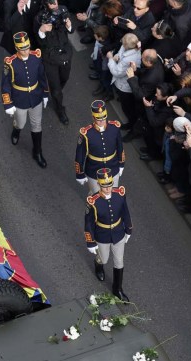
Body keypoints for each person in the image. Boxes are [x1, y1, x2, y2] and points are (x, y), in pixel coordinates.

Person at [1, 32, 50, 168]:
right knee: (21, 123)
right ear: (17, 49)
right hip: (19, 99)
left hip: (35, 97)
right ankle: (16, 130)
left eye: (27, 47)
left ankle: (37, 152)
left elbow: (42, 76)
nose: (26, 51)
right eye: (22, 49)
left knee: (37, 125)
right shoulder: (10, 63)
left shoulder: (36, 57)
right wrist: (8, 104)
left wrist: (45, 93)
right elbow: (6, 85)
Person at [84, 168, 132, 301]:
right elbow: (89, 223)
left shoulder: (119, 194)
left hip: (118, 233)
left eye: (110, 185)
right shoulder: (93, 202)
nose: (108, 188)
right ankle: (98, 264)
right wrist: (90, 242)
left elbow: (125, 212)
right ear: (99, 184)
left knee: (119, 261)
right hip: (102, 235)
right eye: (105, 186)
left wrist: (128, 229)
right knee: (104, 259)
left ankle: (118, 289)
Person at [35, 0, 74, 124]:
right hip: (50, 58)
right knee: (56, 88)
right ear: (46, 4)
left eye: (56, 2)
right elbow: (39, 41)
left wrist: (69, 26)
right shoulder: (40, 17)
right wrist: (42, 31)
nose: (55, 5)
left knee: (65, 78)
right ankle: (59, 108)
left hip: (65, 55)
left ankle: (56, 93)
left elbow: (70, 30)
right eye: (52, 4)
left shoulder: (63, 9)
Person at [75, 100, 125, 194]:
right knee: (96, 195)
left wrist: (121, 163)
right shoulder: (86, 134)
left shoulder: (115, 128)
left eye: (104, 118)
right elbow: (80, 155)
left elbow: (120, 147)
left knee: (113, 194)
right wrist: (79, 173)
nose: (102, 121)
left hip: (113, 167)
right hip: (94, 170)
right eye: (99, 119)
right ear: (93, 117)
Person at [107, 32, 142, 129]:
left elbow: (116, 72)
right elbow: (121, 52)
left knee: (126, 107)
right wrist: (117, 56)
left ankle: (131, 124)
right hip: (123, 83)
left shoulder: (129, 59)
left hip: (125, 86)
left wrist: (110, 59)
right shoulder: (132, 46)